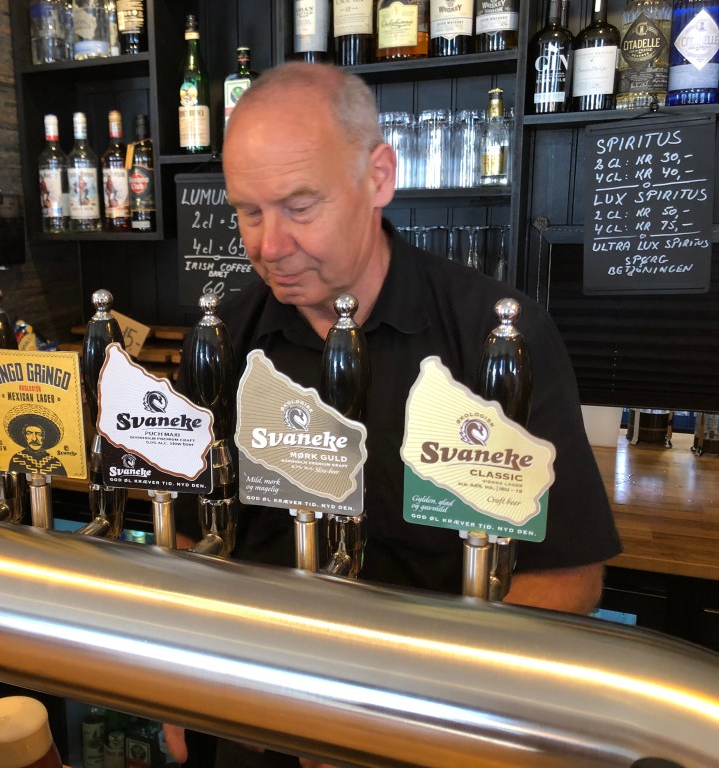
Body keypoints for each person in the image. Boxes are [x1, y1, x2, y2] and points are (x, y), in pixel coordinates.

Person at [166, 62, 622, 768]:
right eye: (248, 212)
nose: (267, 246)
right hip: (259, 720)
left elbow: (564, 576)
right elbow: (187, 536)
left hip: (437, 731)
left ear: (379, 176)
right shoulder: (221, 339)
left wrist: (405, 715)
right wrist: (191, 680)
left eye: (299, 206)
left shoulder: (495, 338)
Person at [5, 409, 67, 476]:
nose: (34, 438)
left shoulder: (55, 462)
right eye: (29, 433)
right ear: (24, 436)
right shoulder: (17, 459)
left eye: (39, 434)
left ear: (44, 436)